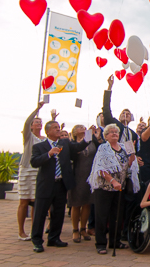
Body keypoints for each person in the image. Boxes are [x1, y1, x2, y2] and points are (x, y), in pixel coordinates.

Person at [30, 121, 99, 253]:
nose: (58, 129)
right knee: (40, 213)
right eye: (55, 128)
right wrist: (49, 154)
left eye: (58, 127)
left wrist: (89, 135)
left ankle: (54, 238)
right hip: (45, 185)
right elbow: (34, 162)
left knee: (58, 213)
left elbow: (79, 147)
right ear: (48, 131)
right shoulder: (40, 146)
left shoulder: (65, 143)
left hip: (61, 184)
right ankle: (37, 241)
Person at [87, 124, 140, 254]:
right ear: (105, 136)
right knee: (102, 215)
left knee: (117, 215)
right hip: (105, 187)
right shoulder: (103, 148)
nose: (114, 133)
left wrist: (132, 156)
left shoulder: (123, 147)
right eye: (111, 132)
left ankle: (115, 241)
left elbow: (128, 165)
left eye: (116, 132)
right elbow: (100, 168)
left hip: (119, 187)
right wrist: (112, 181)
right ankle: (100, 243)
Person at [103, 75, 140, 240]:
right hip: (114, 168)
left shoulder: (132, 133)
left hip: (129, 168)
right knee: (113, 202)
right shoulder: (115, 127)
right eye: (123, 113)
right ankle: (110, 232)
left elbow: (134, 149)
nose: (126, 114)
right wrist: (109, 89)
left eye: (128, 113)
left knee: (127, 200)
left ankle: (125, 231)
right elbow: (106, 111)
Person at [68, 124, 103, 243]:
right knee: (76, 203)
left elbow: (100, 150)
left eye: (84, 127)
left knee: (87, 203)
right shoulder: (72, 143)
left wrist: (97, 137)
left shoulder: (91, 142)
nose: (83, 129)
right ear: (74, 132)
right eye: (79, 127)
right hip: (77, 175)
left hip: (90, 175)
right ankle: (75, 230)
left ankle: (83, 228)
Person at [18, 101, 46, 241]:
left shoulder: (44, 139)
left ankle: (34, 230)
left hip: (39, 171)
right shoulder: (29, 137)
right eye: (36, 122)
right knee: (24, 201)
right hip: (27, 170)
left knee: (36, 202)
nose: (38, 123)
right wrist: (37, 109)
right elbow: (26, 123)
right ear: (31, 126)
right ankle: (21, 231)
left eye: (40, 122)